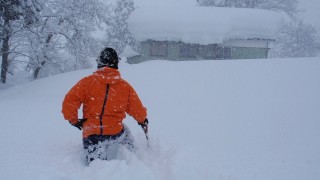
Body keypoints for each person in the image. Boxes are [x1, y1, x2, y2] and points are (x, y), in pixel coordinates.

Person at [61, 47, 148, 165]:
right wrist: (142, 120)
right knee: (126, 130)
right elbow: (136, 108)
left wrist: (74, 120)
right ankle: (132, 153)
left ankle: (95, 162)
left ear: (100, 62)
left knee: (96, 168)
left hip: (92, 134)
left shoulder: (86, 82)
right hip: (115, 132)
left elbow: (69, 102)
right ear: (116, 63)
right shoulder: (125, 86)